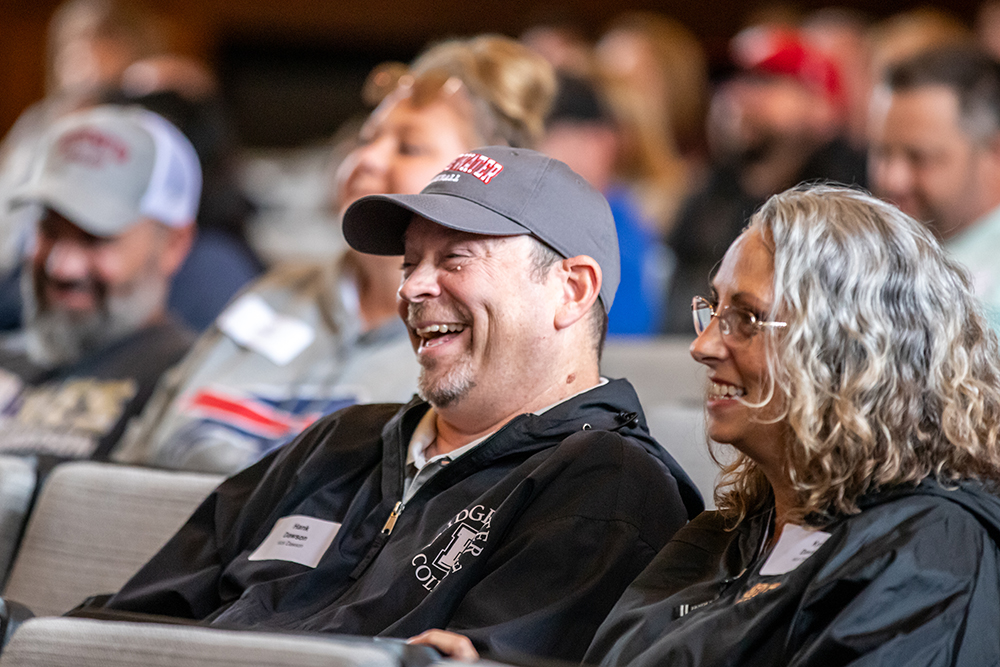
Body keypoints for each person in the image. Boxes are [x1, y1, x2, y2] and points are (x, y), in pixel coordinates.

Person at [100, 146, 704, 663]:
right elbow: (119, 624)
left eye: (456, 258)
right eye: (410, 262)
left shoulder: (609, 488)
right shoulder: (342, 441)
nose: (411, 288)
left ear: (571, 290)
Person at [580, 185, 1000, 665]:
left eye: (747, 318)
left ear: (849, 349)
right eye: (714, 309)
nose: (703, 347)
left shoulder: (931, 552)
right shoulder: (728, 535)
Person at [112, 35, 555, 474]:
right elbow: (141, 448)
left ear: (484, 184)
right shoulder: (277, 289)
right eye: (367, 138)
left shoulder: (491, 341)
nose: (366, 159)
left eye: (408, 147)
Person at [0, 104, 198, 460]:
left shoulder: (186, 387)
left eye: (95, 238)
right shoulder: (7, 356)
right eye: (47, 229)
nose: (63, 267)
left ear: (173, 244)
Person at [663, 26, 867, 333]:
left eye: (765, 82)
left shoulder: (853, 194)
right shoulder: (710, 195)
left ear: (820, 103)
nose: (739, 96)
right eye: (736, 80)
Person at [868, 46, 1000, 331]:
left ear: (994, 152)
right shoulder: (871, 258)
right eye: (881, 153)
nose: (893, 179)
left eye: (920, 157)